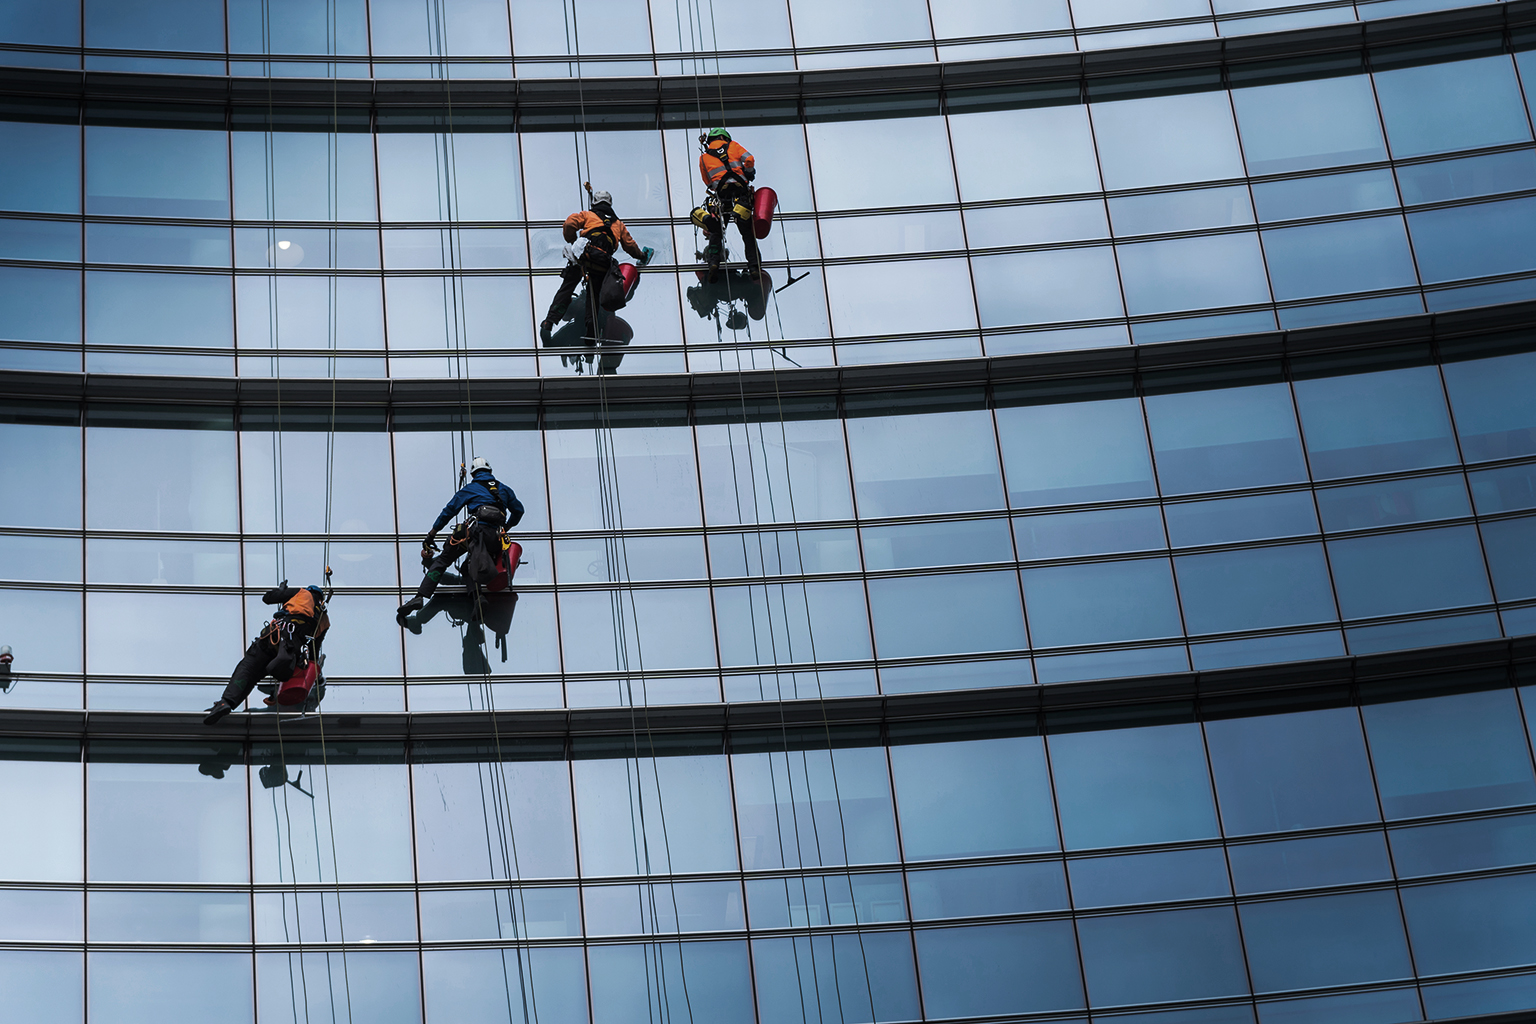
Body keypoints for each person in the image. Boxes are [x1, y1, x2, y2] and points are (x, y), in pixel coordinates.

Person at [397, 456, 525, 624]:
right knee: (467, 567)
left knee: (444, 559)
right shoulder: (504, 489)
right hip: (494, 539)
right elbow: (519, 511)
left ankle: (420, 597)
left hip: (474, 533)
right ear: (490, 471)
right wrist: (506, 528)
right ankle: (478, 599)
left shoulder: (470, 489)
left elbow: (449, 511)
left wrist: (432, 534)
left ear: (473, 474)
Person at [204, 583, 329, 725]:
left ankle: (226, 703)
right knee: (256, 673)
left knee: (248, 669)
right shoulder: (324, 620)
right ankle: (228, 703)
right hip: (289, 651)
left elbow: (268, 598)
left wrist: (281, 591)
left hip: (272, 639)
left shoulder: (302, 593)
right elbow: (314, 651)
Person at [540, 189, 651, 343]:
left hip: (583, 256)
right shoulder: (618, 224)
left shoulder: (588, 215)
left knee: (567, 287)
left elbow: (569, 224)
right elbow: (630, 245)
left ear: (595, 203)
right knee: (594, 297)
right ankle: (591, 332)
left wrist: (572, 241)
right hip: (602, 262)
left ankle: (549, 322)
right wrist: (642, 256)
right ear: (609, 204)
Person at [693, 128, 760, 280]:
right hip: (740, 195)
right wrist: (749, 172)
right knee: (747, 233)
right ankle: (754, 266)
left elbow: (706, 180)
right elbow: (749, 159)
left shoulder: (703, 158)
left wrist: (717, 184)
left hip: (721, 198)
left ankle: (713, 263)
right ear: (724, 137)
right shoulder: (734, 146)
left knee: (716, 232)